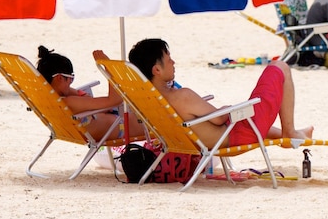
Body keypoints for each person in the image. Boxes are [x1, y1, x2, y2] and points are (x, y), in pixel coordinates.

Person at [120, 38, 312, 149]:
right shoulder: (181, 96)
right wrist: (226, 109)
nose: (173, 62)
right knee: (280, 66)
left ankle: (292, 135)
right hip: (232, 136)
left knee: (240, 116)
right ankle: (290, 132)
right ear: (157, 70)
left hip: (207, 140)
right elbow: (219, 120)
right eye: (168, 59)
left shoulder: (148, 101)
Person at [36, 46, 141, 141]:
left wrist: (78, 93)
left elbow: (81, 95)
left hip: (109, 123)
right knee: (149, 116)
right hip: (122, 127)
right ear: (59, 78)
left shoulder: (47, 97)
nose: (71, 83)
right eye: (70, 79)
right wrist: (108, 66)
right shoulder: (70, 102)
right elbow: (115, 100)